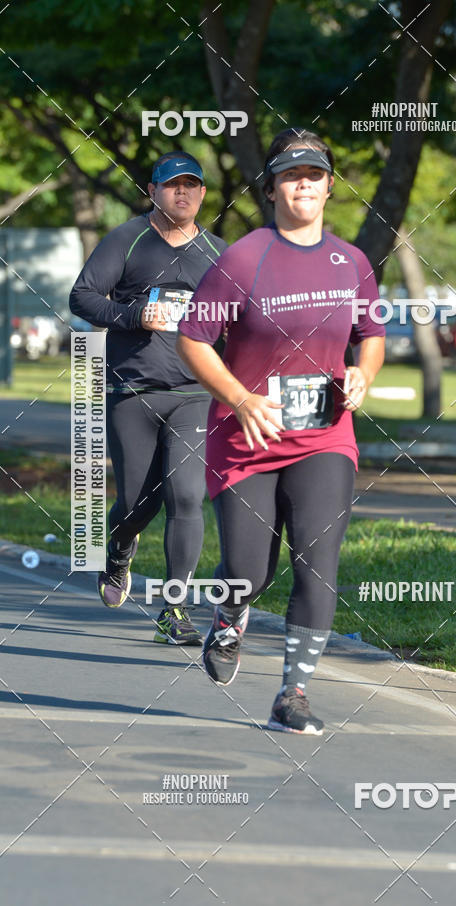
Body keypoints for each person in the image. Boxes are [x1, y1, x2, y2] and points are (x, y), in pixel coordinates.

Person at [177, 129, 385, 733]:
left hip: (324, 433)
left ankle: (292, 693)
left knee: (317, 562)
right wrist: (238, 397)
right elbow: (193, 338)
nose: (305, 184)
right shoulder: (244, 258)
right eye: (292, 175)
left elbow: (371, 335)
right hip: (248, 437)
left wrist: (362, 374)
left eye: (315, 174)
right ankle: (230, 613)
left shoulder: (352, 261)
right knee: (250, 569)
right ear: (271, 189)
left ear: (328, 187)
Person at [70, 150, 227, 644]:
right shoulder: (128, 238)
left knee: (186, 496)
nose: (183, 193)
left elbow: (239, 321)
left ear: (202, 194)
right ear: (153, 192)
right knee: (138, 504)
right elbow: (84, 296)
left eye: (192, 185)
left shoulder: (220, 254)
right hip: (131, 392)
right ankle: (119, 552)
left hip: (194, 394)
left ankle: (174, 609)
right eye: (172, 185)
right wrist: (135, 315)